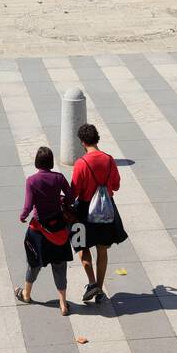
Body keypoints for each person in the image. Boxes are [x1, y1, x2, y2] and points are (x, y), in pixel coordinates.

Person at [70, 123, 127, 303]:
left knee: (81, 246)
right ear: (97, 138)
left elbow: (75, 192)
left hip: (84, 212)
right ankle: (100, 290)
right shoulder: (109, 160)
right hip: (106, 211)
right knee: (102, 250)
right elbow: (116, 185)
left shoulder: (81, 163)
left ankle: (92, 282)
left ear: (82, 142)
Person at [15, 146, 73, 315]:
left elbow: (28, 205)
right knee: (60, 267)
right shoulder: (59, 178)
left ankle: (26, 294)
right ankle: (63, 303)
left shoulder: (32, 181)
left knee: (33, 263)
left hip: (39, 230)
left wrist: (23, 216)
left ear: (37, 162)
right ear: (51, 161)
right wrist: (60, 199)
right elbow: (70, 197)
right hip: (58, 229)